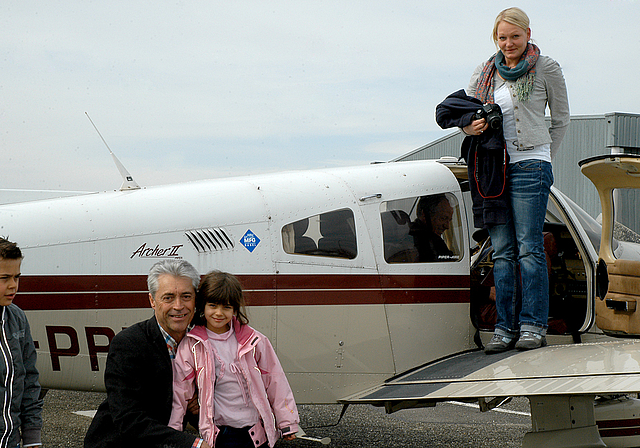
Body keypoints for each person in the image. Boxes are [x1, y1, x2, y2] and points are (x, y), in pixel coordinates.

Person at [463, 7, 570, 352]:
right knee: (503, 252)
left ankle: (533, 325)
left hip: (530, 165)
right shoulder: (484, 72)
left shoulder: (546, 68)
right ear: (495, 38)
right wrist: (470, 126)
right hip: (494, 168)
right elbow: (466, 114)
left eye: (515, 36)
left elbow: (562, 118)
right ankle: (504, 328)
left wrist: (543, 156)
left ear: (527, 34)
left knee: (529, 248)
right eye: (502, 37)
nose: (508, 43)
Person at [84, 259, 212, 448]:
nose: (178, 306)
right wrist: (192, 444)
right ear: (152, 300)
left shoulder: (199, 343)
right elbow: (128, 420)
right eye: (168, 297)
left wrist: (198, 408)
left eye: (186, 296)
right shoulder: (129, 344)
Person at [169, 271, 299, 448]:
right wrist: (173, 432)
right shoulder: (191, 345)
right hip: (220, 432)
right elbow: (180, 391)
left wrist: (287, 422)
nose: (219, 313)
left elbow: (275, 381)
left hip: (255, 432)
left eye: (227, 307)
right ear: (202, 306)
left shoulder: (254, 341)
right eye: (213, 305)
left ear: (235, 309)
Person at [0, 237, 43, 448]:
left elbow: (29, 380)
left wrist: (32, 436)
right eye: (4, 278)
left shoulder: (17, 318)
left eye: (17, 277)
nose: (13, 285)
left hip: (11, 442)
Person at [409, 194, 455, 262]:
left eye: (449, 220)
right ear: (425, 215)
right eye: (443, 218)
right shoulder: (422, 242)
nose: (447, 226)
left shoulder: (413, 235)